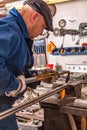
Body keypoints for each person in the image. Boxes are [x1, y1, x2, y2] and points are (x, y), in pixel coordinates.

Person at [0, 0, 53, 130]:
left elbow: (13, 66)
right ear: (34, 17)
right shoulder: (9, 28)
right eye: (43, 27)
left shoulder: (18, 33)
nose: (41, 33)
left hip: (5, 105)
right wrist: (16, 85)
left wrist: (34, 78)